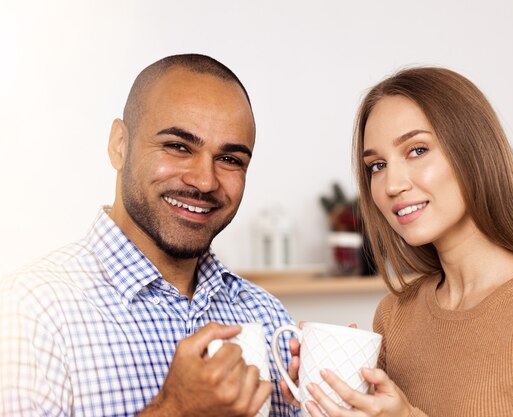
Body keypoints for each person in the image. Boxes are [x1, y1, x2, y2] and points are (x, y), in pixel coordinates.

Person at [281, 67, 513, 417]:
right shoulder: (395, 316)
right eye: (377, 165)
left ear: (474, 153)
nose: (391, 184)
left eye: (416, 150)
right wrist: (329, 399)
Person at [0, 54, 299, 417]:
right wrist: (175, 409)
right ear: (119, 145)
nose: (205, 181)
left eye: (230, 160)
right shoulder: (27, 311)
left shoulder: (266, 314)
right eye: (178, 146)